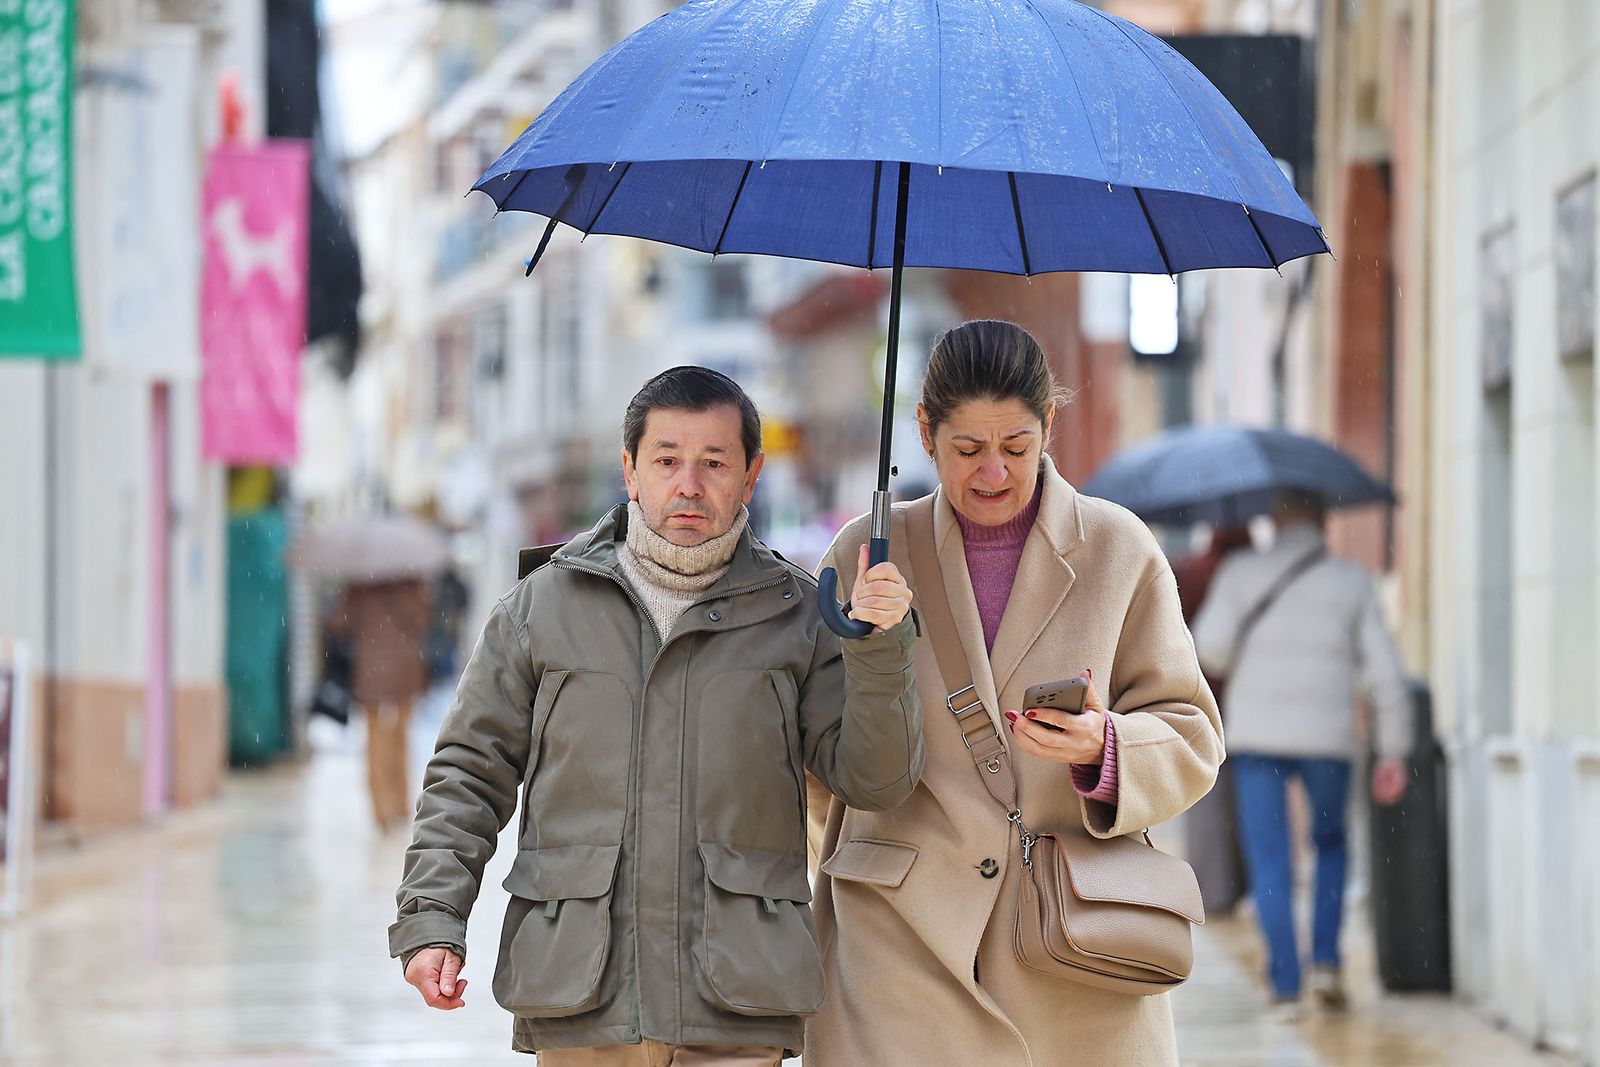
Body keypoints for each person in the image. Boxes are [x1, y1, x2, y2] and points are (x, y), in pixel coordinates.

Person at [388, 366, 924, 1065]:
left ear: (751, 474)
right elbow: (467, 773)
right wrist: (433, 918)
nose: (689, 485)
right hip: (583, 995)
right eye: (667, 460)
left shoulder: (798, 615)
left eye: (714, 462)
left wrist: (882, 648)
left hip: (735, 1000)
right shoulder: (542, 608)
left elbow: (875, 782)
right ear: (630, 469)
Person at [806, 321, 1224, 1066]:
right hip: (895, 949)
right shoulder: (863, 553)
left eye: (1017, 448)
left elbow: (1192, 732)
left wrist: (1107, 747)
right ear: (925, 432)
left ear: (1050, 426)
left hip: (1068, 946)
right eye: (967, 450)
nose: (993, 472)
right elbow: (817, 756)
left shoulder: (1119, 551)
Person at [1191, 489, 1410, 1013]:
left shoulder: (1241, 573)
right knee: (1330, 845)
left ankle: (1286, 981)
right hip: (1328, 739)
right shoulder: (1352, 580)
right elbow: (1386, 674)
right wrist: (1394, 751)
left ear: (1274, 519)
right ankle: (1328, 966)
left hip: (1258, 735)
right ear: (1323, 521)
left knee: (1270, 857)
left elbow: (1208, 650)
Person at [1169, 524, 1254, 917]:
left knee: (1204, 798)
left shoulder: (1188, 571)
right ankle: (1243, 885)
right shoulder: (1249, 577)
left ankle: (1213, 890)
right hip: (1250, 700)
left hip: (1198, 699)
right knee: (1251, 806)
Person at [328, 576, 433, 832]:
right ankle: (401, 804)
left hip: (371, 672)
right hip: (405, 672)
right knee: (400, 738)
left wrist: (352, 597)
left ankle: (381, 810)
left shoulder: (359, 588)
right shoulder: (411, 584)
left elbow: (339, 625)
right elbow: (422, 621)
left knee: (375, 740)